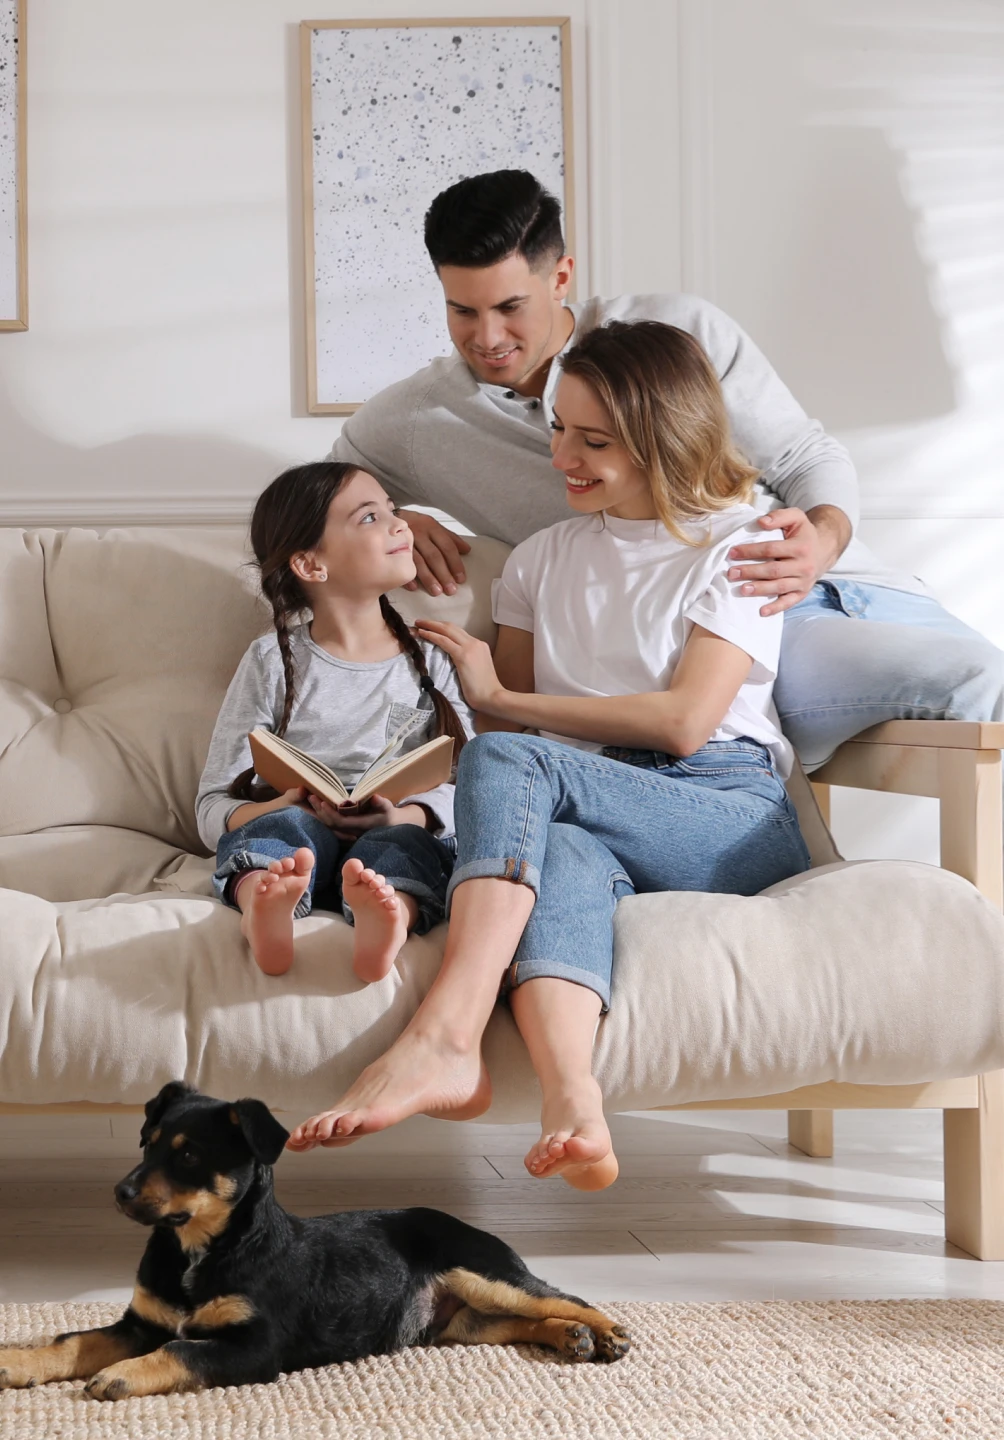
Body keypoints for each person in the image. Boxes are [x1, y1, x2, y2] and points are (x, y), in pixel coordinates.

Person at [287, 321, 811, 1189]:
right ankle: (575, 1103)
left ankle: (445, 1034)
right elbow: (514, 757)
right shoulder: (538, 561)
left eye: (594, 440)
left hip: (724, 810)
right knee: (553, 848)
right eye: (559, 428)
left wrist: (496, 700)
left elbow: (685, 722)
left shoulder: (745, 546)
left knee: (512, 764)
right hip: (592, 808)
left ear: (663, 436)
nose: (563, 454)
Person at [329, 169, 1003, 770]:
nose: (487, 337)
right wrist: (387, 518)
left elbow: (805, 456)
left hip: (858, 586)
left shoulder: (675, 330)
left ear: (561, 277)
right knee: (984, 680)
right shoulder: (417, 420)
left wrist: (822, 541)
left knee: (992, 681)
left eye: (510, 307)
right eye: (461, 311)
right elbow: (313, 502)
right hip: (752, 623)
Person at [196, 462, 474, 980]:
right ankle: (264, 903)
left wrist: (403, 817)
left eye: (393, 510)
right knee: (284, 828)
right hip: (295, 837)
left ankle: (390, 918)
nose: (400, 525)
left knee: (406, 849)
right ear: (311, 564)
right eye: (371, 517)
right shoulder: (269, 661)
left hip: (392, 832)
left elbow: (475, 791)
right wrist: (279, 804)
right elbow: (212, 806)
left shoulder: (430, 658)